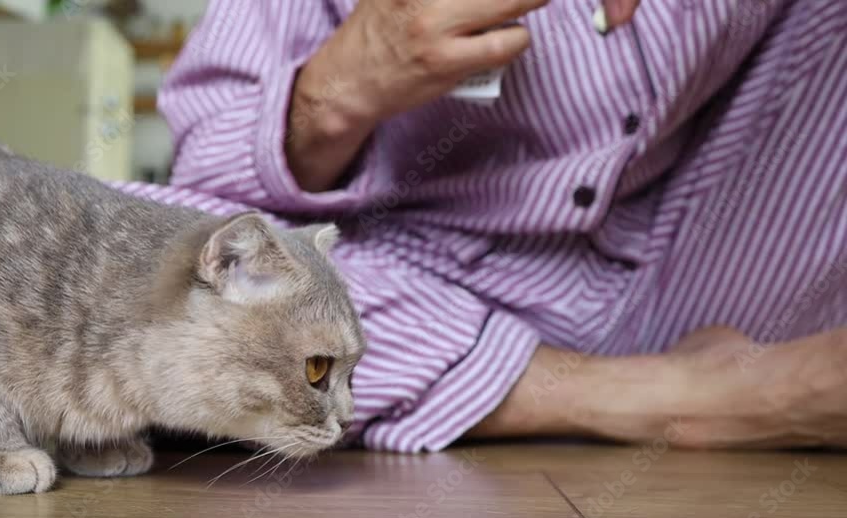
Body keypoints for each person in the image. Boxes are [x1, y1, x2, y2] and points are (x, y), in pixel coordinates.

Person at [114, 0, 846, 452]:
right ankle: (672, 396)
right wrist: (342, 85)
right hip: (420, 282)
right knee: (132, 255)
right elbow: (206, 197)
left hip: (745, 230)